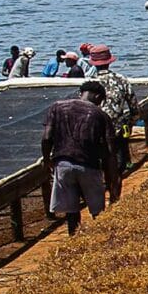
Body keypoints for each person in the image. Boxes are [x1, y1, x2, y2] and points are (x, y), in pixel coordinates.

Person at [39, 80, 121, 237]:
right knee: (98, 212)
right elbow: (110, 152)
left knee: (71, 211)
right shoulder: (100, 115)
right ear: (97, 97)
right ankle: (101, 240)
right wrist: (113, 180)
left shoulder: (57, 107)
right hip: (88, 166)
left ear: (81, 93)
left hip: (62, 164)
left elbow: (46, 138)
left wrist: (47, 160)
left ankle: (74, 240)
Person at [83, 44, 136, 172]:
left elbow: (83, 107)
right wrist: (129, 123)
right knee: (118, 163)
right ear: (109, 62)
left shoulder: (89, 83)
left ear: (94, 64)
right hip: (117, 128)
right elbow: (134, 108)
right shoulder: (121, 80)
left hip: (95, 129)